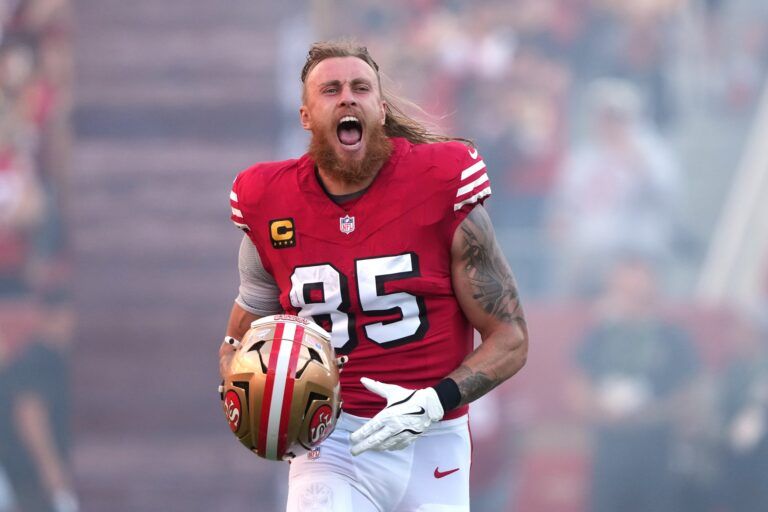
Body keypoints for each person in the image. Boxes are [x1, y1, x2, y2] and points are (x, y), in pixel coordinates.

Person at [219, 40, 528, 511]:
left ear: (379, 110)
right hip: (332, 439)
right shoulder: (269, 202)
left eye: (360, 87)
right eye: (331, 89)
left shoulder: (439, 181)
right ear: (306, 116)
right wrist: (245, 389)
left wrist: (431, 401)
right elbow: (241, 338)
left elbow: (510, 338)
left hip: (433, 437)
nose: (347, 97)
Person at [571, 255, 699, 512]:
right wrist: (602, 410)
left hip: (657, 455)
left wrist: (652, 413)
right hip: (610, 455)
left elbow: (693, 393)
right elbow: (577, 386)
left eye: (639, 292)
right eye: (626, 291)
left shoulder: (672, 337)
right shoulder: (599, 335)